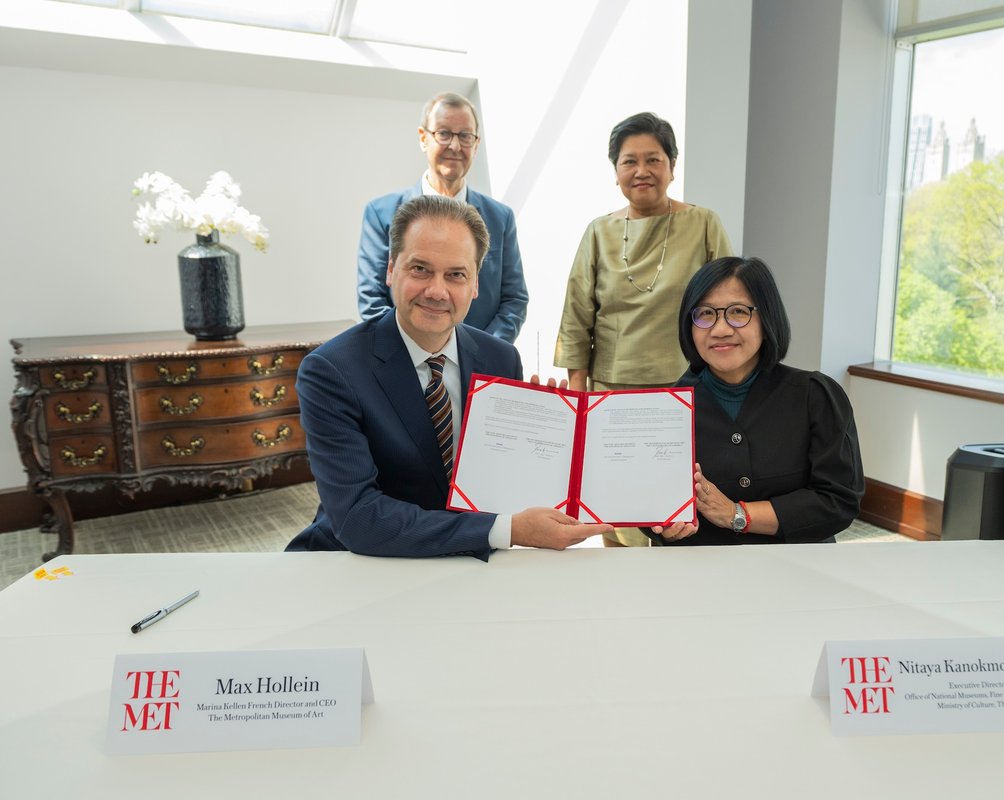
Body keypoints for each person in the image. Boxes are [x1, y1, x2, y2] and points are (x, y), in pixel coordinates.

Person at [288, 196, 610, 559]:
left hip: (470, 560)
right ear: (391, 269)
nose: (437, 291)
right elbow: (360, 519)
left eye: (455, 274)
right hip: (358, 562)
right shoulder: (331, 371)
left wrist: (544, 440)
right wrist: (508, 529)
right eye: (420, 269)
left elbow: (502, 486)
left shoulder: (501, 359)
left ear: (475, 284)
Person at [554, 111, 734, 546]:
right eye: (628, 161)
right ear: (615, 171)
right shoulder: (598, 232)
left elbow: (728, 305)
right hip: (609, 395)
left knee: (675, 509)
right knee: (616, 512)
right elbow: (576, 322)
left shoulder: (704, 224)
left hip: (684, 391)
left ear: (672, 165)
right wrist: (579, 404)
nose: (641, 171)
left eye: (653, 159)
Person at [649, 256, 865, 546]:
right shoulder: (664, 409)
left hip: (798, 571)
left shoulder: (815, 395)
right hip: (701, 572)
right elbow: (646, 502)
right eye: (705, 314)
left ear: (767, 319)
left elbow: (838, 502)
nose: (720, 329)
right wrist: (659, 526)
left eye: (738, 312)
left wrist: (736, 514)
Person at [356, 92, 528, 343]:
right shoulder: (381, 214)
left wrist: (478, 353)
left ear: (476, 144)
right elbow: (372, 301)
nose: (455, 146)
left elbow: (514, 299)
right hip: (405, 366)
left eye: (465, 136)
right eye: (444, 134)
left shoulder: (500, 218)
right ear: (423, 138)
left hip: (478, 369)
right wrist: (420, 354)